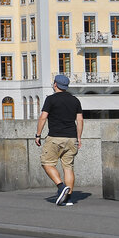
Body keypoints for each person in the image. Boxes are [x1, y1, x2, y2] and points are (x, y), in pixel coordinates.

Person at [36, 73, 83, 206]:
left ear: (55, 84)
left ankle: (61, 187)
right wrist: (79, 138)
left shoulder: (51, 99)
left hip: (55, 137)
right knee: (68, 168)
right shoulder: (75, 100)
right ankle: (68, 199)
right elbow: (79, 120)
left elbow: (43, 117)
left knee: (47, 163)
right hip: (72, 138)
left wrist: (38, 134)